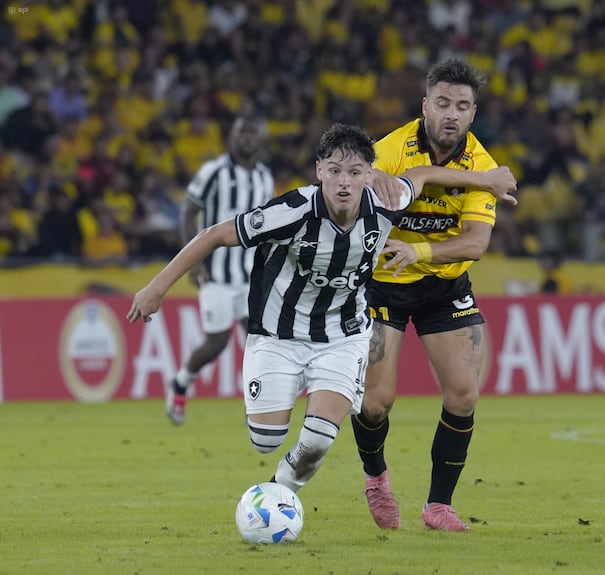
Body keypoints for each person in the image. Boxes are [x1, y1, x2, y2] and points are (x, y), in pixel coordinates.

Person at [128, 124, 516, 498]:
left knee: (316, 440)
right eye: (334, 171)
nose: (344, 182)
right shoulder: (292, 211)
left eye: (354, 172)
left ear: (370, 173)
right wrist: (157, 287)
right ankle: (293, 387)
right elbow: (214, 234)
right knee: (265, 439)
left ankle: (278, 496)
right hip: (278, 334)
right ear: (319, 171)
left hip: (341, 336)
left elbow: (424, 172)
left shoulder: (387, 200)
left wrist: (486, 181)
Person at [350, 58, 515, 532]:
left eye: (462, 106)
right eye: (442, 102)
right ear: (425, 105)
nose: (451, 114)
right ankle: (376, 476)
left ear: (473, 113)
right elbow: (375, 190)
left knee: (464, 393)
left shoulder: (481, 164)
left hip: (444, 285)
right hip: (384, 284)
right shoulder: (391, 149)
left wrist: (418, 247)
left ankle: (438, 505)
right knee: (375, 402)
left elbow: (476, 244)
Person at [166, 115, 275, 425]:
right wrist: (194, 260)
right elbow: (188, 212)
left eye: (253, 132)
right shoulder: (213, 172)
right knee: (217, 342)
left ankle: (259, 405)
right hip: (216, 274)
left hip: (250, 275)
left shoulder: (265, 178)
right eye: (242, 131)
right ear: (232, 136)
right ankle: (181, 381)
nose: (247, 138)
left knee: (259, 338)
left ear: (260, 139)